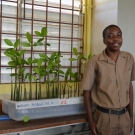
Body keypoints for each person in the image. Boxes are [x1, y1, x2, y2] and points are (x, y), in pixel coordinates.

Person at [80, 24, 135, 135]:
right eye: (110, 36)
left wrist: (131, 116)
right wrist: (91, 122)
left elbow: (129, 85)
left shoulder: (129, 58)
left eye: (118, 35)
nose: (115, 39)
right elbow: (86, 92)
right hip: (104, 119)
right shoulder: (95, 61)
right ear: (104, 41)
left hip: (125, 118)